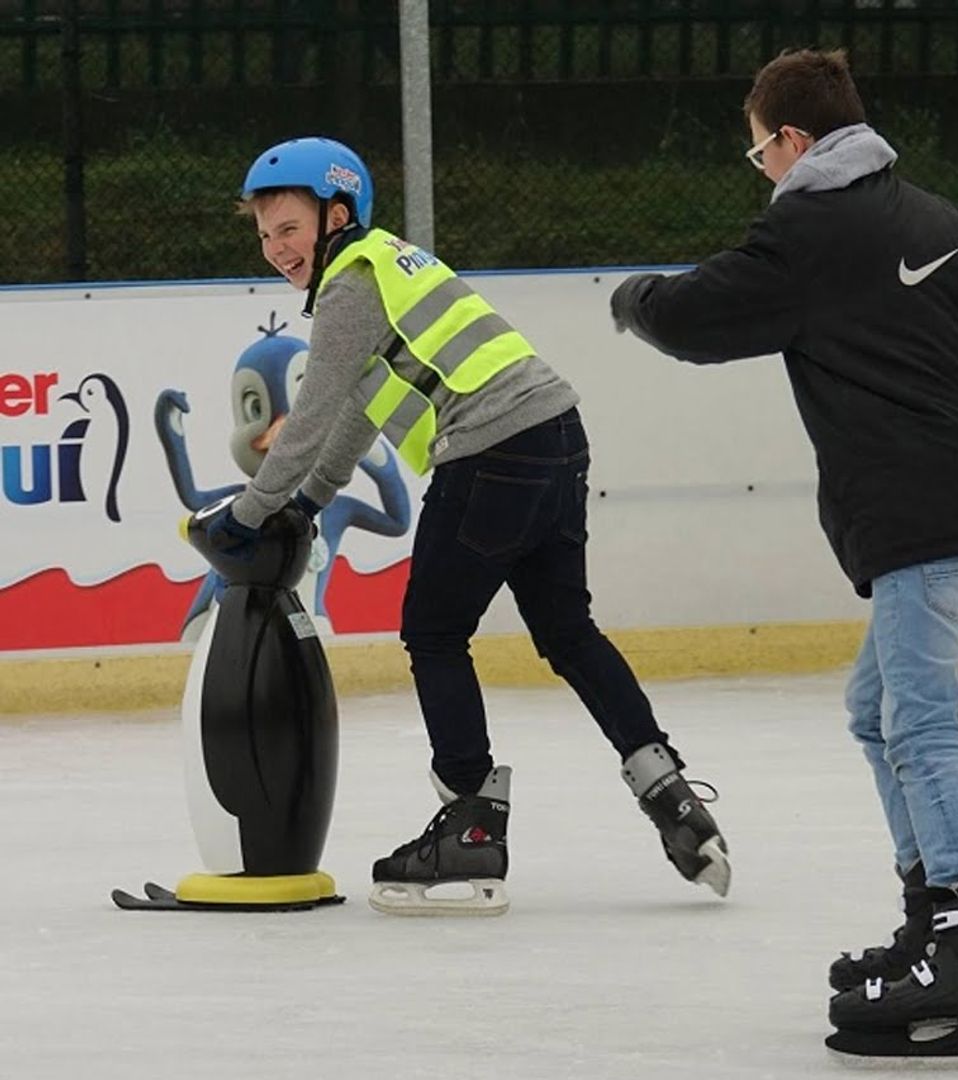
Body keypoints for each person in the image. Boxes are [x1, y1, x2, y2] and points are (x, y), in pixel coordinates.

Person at [609, 48, 958, 1059]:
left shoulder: (809, 228)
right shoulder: (946, 220)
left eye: (759, 153)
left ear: (794, 141)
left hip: (917, 509)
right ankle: (933, 918)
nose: (762, 171)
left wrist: (636, 300)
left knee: (919, 721)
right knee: (874, 708)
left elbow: (701, 317)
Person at [203, 136, 730, 916]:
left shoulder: (352, 283)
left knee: (435, 631)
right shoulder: (390, 269)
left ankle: (472, 826)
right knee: (567, 630)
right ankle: (669, 792)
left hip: (492, 451)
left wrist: (245, 518)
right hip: (557, 434)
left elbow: (308, 420)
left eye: (287, 228)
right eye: (264, 235)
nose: (275, 249)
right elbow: (353, 414)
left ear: (336, 214)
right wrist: (308, 504)